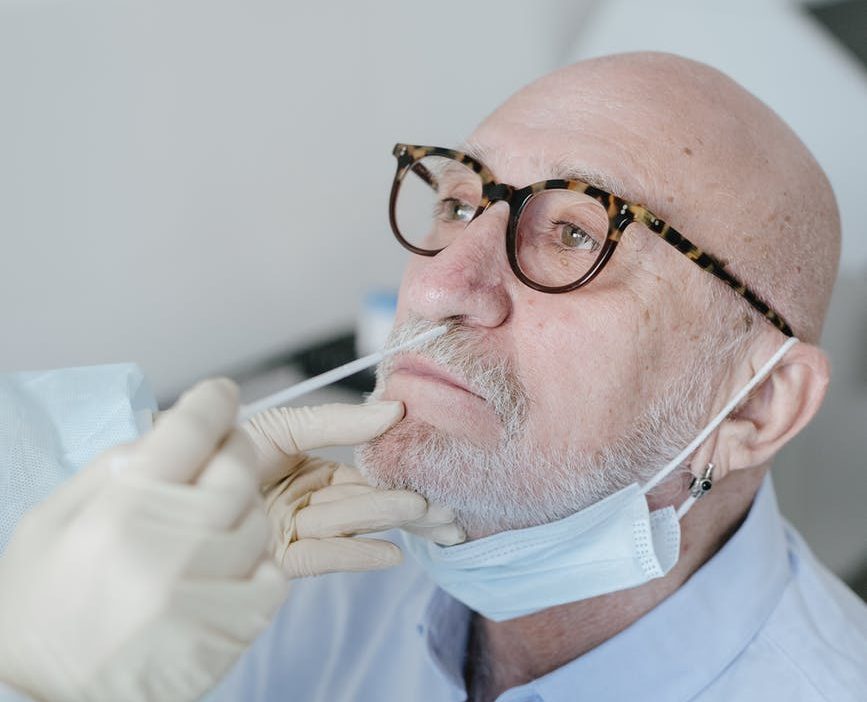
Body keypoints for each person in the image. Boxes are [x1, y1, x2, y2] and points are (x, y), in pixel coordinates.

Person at [1, 49, 865, 702]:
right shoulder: (262, 552)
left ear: (756, 402)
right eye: (458, 204)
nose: (441, 283)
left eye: (574, 235)